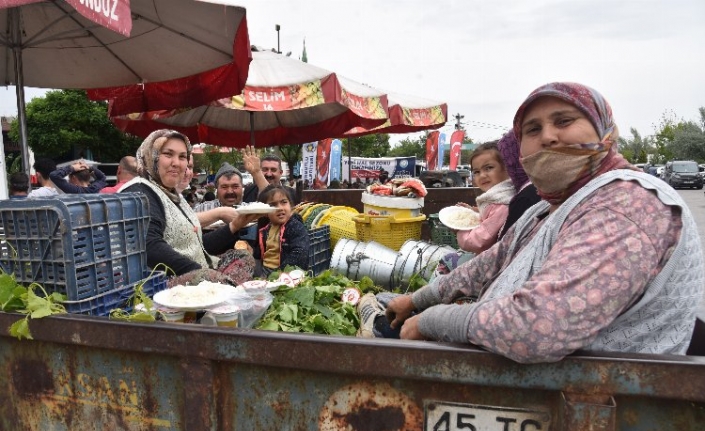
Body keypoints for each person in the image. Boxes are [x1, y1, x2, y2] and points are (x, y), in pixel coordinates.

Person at [370, 82, 705, 364]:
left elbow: (537, 328)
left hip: (596, 403)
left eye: (564, 120)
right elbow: (492, 262)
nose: (548, 137)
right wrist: (417, 300)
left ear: (603, 130)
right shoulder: (550, 205)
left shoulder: (626, 204)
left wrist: (430, 321)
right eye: (533, 129)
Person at [120, 129, 260, 283]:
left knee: (243, 256)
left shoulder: (173, 195)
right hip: (164, 283)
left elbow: (196, 246)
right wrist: (204, 275)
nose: (176, 163)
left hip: (196, 271)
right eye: (168, 154)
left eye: (182, 157)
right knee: (220, 280)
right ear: (151, 156)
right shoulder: (140, 191)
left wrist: (236, 225)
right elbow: (150, 247)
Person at [431, 141, 515, 277]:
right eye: (476, 172)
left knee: (446, 260)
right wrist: (473, 211)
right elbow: (489, 217)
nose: (482, 175)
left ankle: (438, 296)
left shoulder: (502, 205)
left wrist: (460, 230)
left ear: (506, 168)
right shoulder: (500, 199)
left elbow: (476, 242)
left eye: (488, 168)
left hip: (493, 266)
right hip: (492, 258)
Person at [251, 184, 310, 278]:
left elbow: (300, 253)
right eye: (273, 205)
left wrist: (280, 274)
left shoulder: (295, 226)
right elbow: (260, 253)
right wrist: (250, 251)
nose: (280, 208)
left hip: (284, 273)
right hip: (265, 270)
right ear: (265, 212)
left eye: (284, 202)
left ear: (291, 205)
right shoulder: (266, 229)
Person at [496, 131, 542, 238]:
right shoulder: (546, 186)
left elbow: (506, 242)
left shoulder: (527, 196)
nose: (507, 167)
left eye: (505, 161)